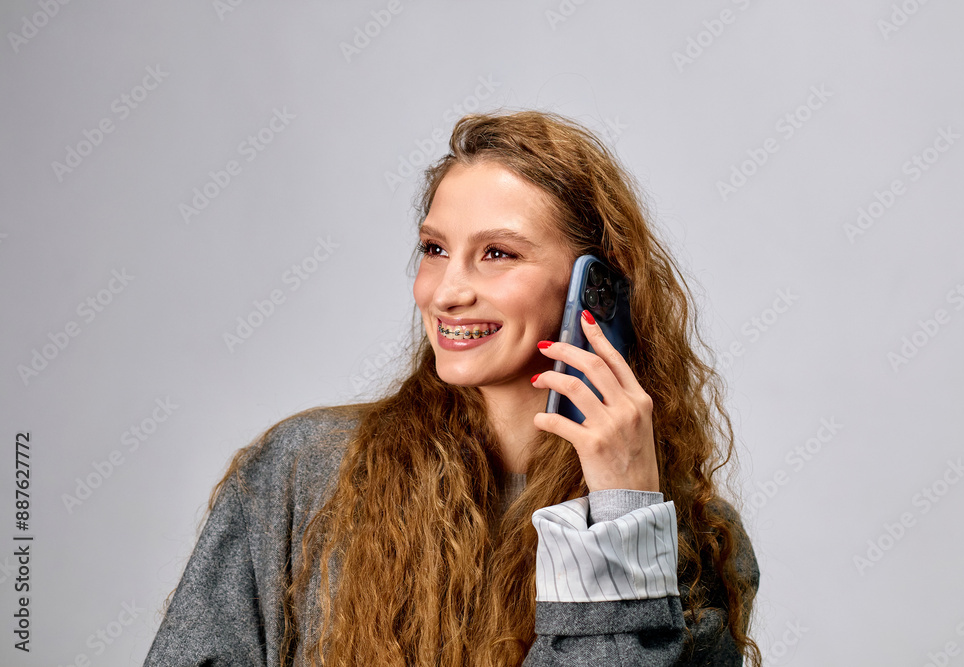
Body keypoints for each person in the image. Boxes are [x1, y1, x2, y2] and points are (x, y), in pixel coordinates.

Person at [143, 110, 761, 666]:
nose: (445, 291)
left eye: (497, 254)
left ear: (596, 285)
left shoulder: (687, 534)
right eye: (435, 249)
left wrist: (621, 518)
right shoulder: (303, 470)